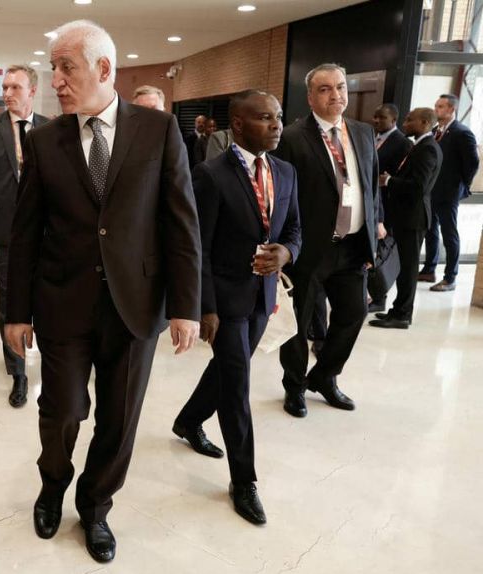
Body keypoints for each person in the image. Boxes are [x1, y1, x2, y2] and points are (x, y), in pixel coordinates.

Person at [5, 20, 201, 564]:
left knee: (119, 420)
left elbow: (181, 224)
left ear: (104, 69)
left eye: (66, 68)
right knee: (62, 411)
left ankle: (95, 507)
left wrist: (186, 306)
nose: (56, 81)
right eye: (53, 69)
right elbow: (25, 233)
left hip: (136, 305)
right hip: (62, 302)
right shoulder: (45, 141)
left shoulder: (159, 130)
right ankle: (52, 485)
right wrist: (15, 312)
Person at [172, 89, 301, 525]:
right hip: (224, 301)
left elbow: (295, 230)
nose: (276, 124)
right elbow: (199, 247)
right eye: (265, 118)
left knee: (230, 369)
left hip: (263, 297)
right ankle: (243, 481)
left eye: (278, 116)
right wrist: (204, 306)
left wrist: (286, 253)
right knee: (237, 387)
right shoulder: (210, 175)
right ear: (239, 125)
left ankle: (188, 420)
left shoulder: (284, 172)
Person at [272, 63, 383, 418]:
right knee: (299, 323)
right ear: (310, 97)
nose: (336, 95)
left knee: (354, 313)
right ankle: (294, 387)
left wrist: (375, 229)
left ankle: (323, 376)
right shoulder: (292, 137)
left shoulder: (363, 132)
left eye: (340, 87)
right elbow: (281, 196)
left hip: (352, 245)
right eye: (325, 89)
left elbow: (370, 186)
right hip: (308, 248)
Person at [0, 65, 49, 407]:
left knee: (48, 301)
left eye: (15, 87)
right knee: (9, 303)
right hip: (4, 233)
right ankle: (18, 373)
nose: (7, 93)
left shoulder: (51, 128)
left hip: (47, 235)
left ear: (32, 90)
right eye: (4, 87)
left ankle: (53, 363)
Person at [370, 108, 443, 329]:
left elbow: (419, 187)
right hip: (406, 216)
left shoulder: (428, 148)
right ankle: (397, 310)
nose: (405, 123)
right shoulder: (420, 145)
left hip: (414, 218)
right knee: (403, 267)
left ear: (425, 123)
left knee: (409, 269)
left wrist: (389, 181)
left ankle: (402, 315)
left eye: (410, 120)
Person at [419, 94, 480, 292]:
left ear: (451, 109)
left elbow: (472, 163)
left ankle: (450, 277)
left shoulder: (462, 133)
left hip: (449, 192)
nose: (436, 109)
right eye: (436, 106)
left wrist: (462, 186)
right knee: (430, 230)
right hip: (432, 191)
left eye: (440, 106)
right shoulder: (435, 131)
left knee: (449, 234)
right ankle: (429, 269)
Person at [373, 104, 412, 176]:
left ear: (393, 120)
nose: (376, 120)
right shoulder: (370, 137)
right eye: (375, 117)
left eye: (382, 117)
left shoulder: (404, 143)